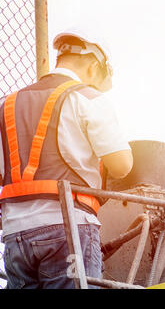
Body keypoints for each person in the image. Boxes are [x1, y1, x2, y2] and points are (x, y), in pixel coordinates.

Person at [0, 28, 133, 288]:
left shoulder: (6, 104)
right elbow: (122, 166)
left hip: (15, 233)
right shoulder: (88, 97)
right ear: (94, 67)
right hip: (68, 227)